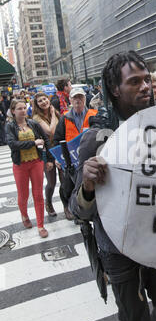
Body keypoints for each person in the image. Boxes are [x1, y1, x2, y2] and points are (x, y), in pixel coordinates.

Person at [69, 51, 156, 321]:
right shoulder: (96, 138)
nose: (146, 86)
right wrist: (89, 184)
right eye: (135, 81)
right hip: (117, 248)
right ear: (115, 89)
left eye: (147, 79)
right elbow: (77, 210)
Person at [6, 99, 54, 238]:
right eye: (19, 108)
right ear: (13, 111)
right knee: (23, 195)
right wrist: (32, 142)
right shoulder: (10, 126)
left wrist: (49, 159)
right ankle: (24, 215)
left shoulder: (33, 123)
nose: (23, 110)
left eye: (24, 107)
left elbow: (45, 140)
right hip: (20, 165)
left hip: (36, 162)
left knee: (38, 194)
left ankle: (40, 225)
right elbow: (12, 144)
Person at [53, 87, 97, 220]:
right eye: (75, 98)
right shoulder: (64, 118)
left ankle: (85, 211)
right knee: (68, 187)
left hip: (90, 158)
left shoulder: (94, 114)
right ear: (70, 100)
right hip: (71, 161)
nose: (78, 100)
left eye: (80, 97)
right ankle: (70, 207)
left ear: (85, 99)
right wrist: (57, 157)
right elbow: (57, 139)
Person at [32, 92, 62, 217]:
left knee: (65, 181)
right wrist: (53, 114)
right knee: (51, 182)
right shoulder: (36, 118)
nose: (43, 102)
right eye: (40, 101)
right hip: (47, 153)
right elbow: (51, 131)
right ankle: (48, 203)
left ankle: (66, 206)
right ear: (36, 104)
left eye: (45, 99)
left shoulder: (56, 113)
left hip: (60, 150)